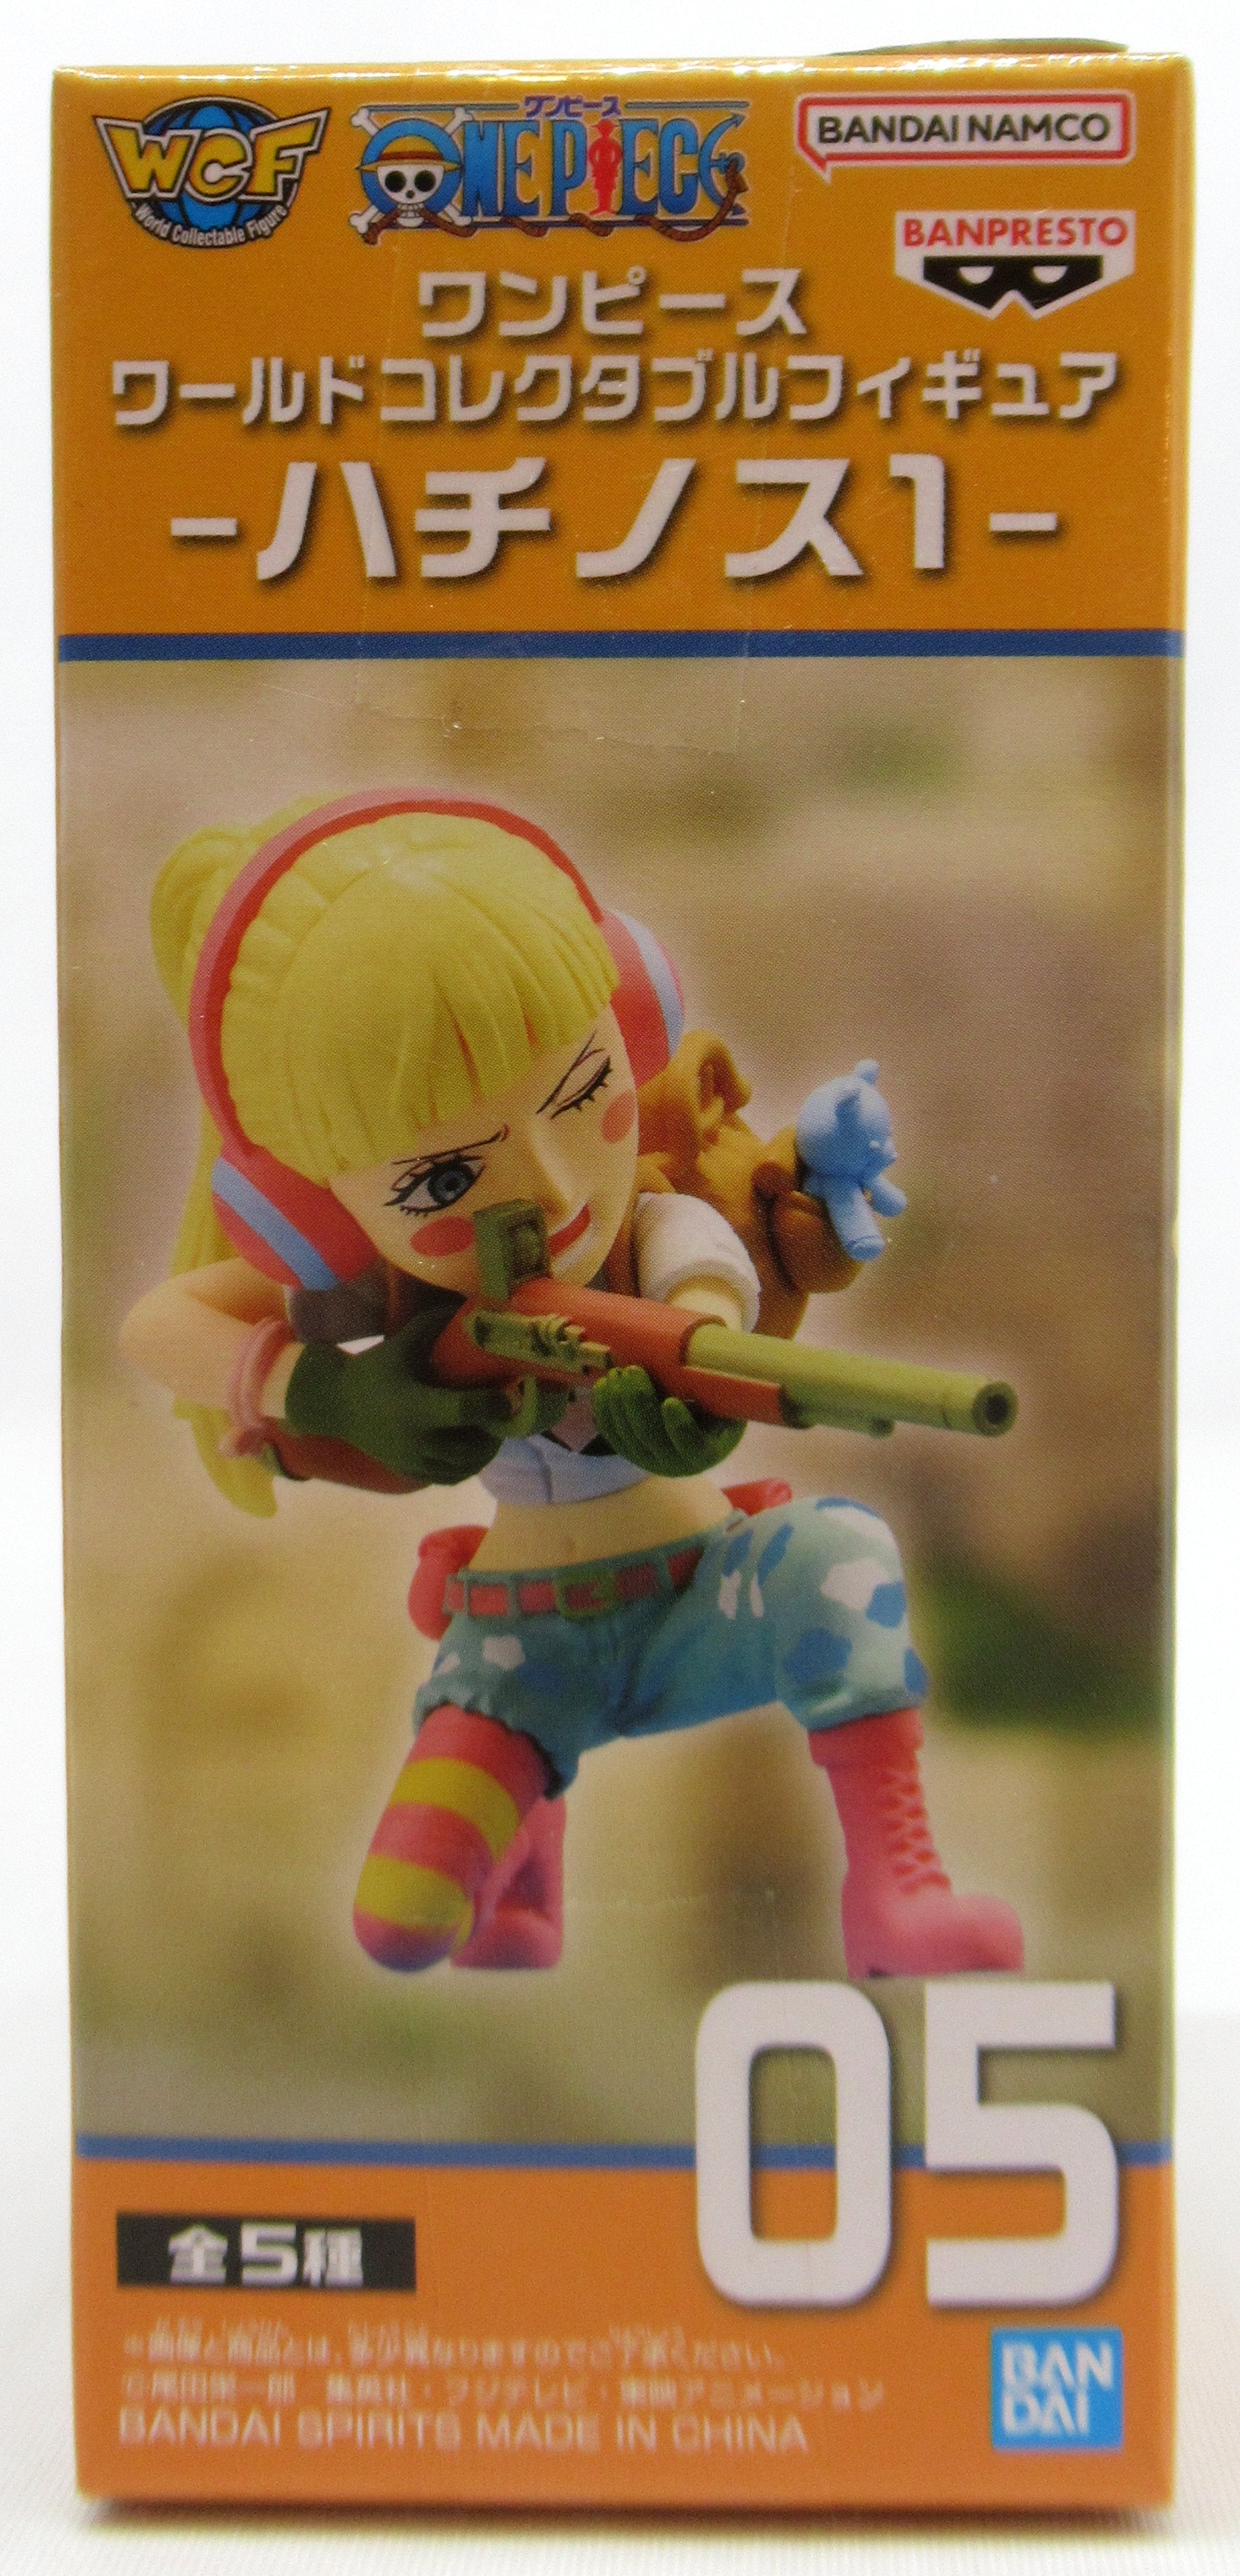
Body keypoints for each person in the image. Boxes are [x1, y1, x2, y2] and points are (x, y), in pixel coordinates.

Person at [122, 791, 1024, 1982]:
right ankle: (525, 1859)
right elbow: (158, 1326)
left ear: (634, 1017)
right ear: (312, 1217)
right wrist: (330, 1392)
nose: (551, 1189)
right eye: (441, 1178)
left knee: (842, 1551)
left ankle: (897, 1889)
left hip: (707, 1598)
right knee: (403, 1922)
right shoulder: (387, 1294)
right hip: (519, 1650)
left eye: (579, 1092)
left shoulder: (651, 1228)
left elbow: (705, 1302)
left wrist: (696, 1375)